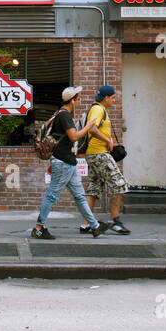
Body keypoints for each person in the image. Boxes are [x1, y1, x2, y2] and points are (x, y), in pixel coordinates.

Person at [32, 86, 104, 239]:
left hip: (67, 162)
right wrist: (88, 126)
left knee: (79, 196)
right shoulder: (65, 116)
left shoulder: (61, 114)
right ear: (72, 100)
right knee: (52, 195)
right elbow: (74, 137)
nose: (79, 101)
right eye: (78, 98)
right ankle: (39, 228)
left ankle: (95, 226)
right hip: (64, 162)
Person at [79, 85, 131, 235]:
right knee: (119, 184)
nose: (114, 100)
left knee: (94, 189)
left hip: (94, 154)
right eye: (113, 97)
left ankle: (85, 225)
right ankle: (115, 221)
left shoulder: (100, 109)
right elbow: (92, 129)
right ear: (106, 98)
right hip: (99, 154)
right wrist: (108, 141)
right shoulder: (98, 109)